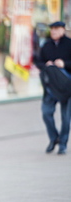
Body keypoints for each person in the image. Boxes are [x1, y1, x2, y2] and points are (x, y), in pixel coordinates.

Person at [35, 21, 71, 155]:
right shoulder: (46, 45)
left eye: (56, 29)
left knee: (66, 118)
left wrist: (64, 64)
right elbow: (38, 60)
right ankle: (53, 138)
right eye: (52, 29)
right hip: (50, 87)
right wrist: (46, 64)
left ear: (63, 30)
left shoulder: (69, 43)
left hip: (66, 86)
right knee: (46, 113)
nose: (54, 32)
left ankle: (63, 143)